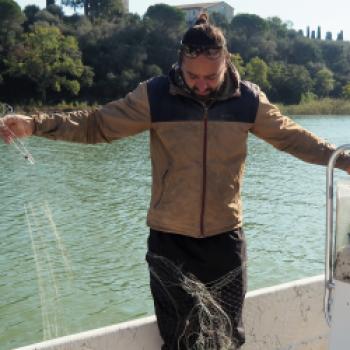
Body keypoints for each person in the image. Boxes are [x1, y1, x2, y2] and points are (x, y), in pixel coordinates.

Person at [1, 14, 350, 350]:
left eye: (210, 78)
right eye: (192, 75)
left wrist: (343, 160)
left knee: (229, 337)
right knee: (179, 340)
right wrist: (35, 124)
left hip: (224, 240)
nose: (200, 85)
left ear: (226, 61)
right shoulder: (155, 96)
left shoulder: (248, 101)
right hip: (169, 242)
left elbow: (293, 138)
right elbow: (96, 125)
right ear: (180, 62)